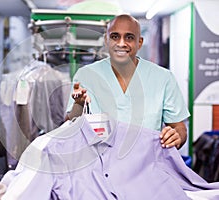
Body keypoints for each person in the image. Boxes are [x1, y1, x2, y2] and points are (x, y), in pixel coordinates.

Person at [65, 14, 190, 149]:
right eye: (115, 37)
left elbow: (179, 127)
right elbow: (70, 125)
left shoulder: (163, 78)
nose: (121, 43)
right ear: (106, 40)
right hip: (99, 165)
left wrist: (176, 136)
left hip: (146, 163)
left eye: (129, 37)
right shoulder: (86, 75)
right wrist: (78, 104)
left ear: (139, 42)